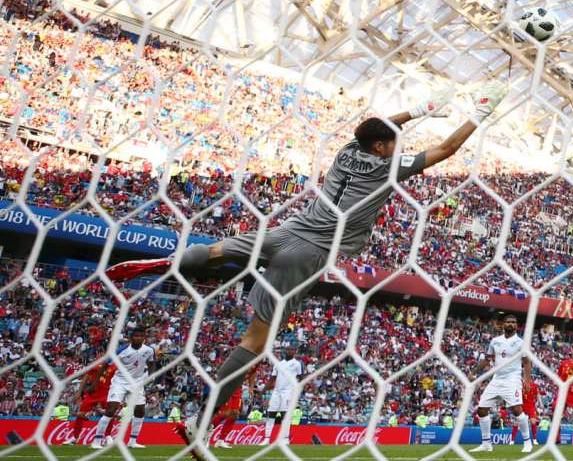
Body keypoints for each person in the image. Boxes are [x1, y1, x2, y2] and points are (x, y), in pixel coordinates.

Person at [103, 81, 508, 451]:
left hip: (284, 230)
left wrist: (419, 109)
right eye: (393, 140)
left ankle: (169, 262)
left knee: (215, 252)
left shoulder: (348, 152)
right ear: (383, 148)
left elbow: (370, 129)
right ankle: (201, 423)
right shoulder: (387, 168)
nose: (397, 143)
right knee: (254, 343)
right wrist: (481, 114)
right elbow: (447, 150)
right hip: (308, 252)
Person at [469, 313, 533, 454]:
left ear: (517, 326)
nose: (511, 324)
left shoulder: (521, 343)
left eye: (514, 322)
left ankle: (528, 442)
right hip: (497, 379)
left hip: (513, 379)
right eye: (508, 322)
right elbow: (487, 359)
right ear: (503, 324)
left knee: (517, 410)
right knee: (481, 410)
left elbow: (527, 362)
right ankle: (486, 444)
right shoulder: (495, 341)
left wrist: (527, 381)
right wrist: (474, 372)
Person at [93, 329, 156, 449]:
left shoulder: (149, 350)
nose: (138, 338)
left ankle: (132, 441)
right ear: (131, 338)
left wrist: (151, 374)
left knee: (140, 410)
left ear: (144, 338)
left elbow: (152, 362)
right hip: (120, 382)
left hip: (136, 383)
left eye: (141, 336)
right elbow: (105, 364)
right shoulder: (121, 350)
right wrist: (96, 382)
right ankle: (96, 441)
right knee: (111, 410)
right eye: (136, 336)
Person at [261, 347, 304, 446]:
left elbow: (301, 377)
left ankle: (285, 439)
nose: (290, 351)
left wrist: (299, 389)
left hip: (288, 392)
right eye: (289, 350)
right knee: (271, 413)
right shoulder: (278, 364)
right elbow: (272, 378)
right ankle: (267, 439)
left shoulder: (297, 364)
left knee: (285, 415)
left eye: (292, 350)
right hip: (276, 391)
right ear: (286, 351)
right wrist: (263, 390)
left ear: (295, 352)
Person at [69, 363, 117, 445]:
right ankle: (75, 437)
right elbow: (85, 378)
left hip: (107, 393)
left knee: (110, 413)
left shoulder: (115, 366)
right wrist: (79, 392)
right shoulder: (95, 365)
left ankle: (107, 436)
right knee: (80, 414)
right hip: (92, 393)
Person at [210, 368, 256, 449]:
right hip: (227, 386)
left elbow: (253, 373)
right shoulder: (238, 360)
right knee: (225, 414)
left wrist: (251, 388)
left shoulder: (254, 362)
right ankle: (204, 435)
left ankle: (220, 441)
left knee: (234, 414)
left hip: (238, 388)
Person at [511, 380, 540, 446]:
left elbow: (537, 394)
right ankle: (512, 440)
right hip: (522, 406)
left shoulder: (534, 385)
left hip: (531, 406)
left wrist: (540, 403)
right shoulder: (520, 385)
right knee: (516, 423)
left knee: (533, 422)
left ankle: (535, 440)